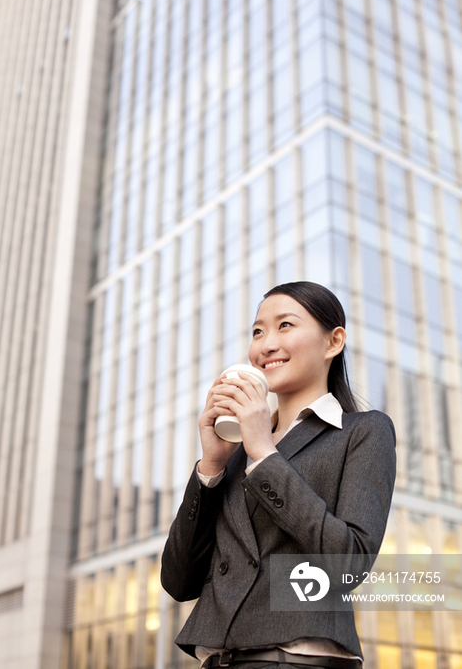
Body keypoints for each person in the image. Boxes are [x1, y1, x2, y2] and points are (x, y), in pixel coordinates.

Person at [161, 281, 396, 669]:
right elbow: (178, 581)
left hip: (297, 661)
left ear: (333, 342)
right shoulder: (236, 455)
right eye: (257, 331)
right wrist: (212, 467)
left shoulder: (362, 432)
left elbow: (350, 565)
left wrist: (264, 455)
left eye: (285, 325)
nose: (266, 344)